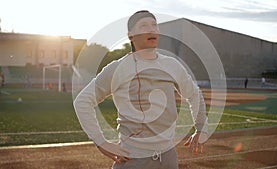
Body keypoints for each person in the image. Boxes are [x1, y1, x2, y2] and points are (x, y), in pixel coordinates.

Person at [74, 10, 208, 169]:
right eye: (144, 25)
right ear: (130, 35)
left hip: (168, 158)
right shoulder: (118, 68)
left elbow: (194, 94)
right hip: (133, 160)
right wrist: (101, 142)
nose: (151, 29)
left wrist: (200, 127)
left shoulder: (171, 65)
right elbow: (82, 101)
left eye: (154, 25)